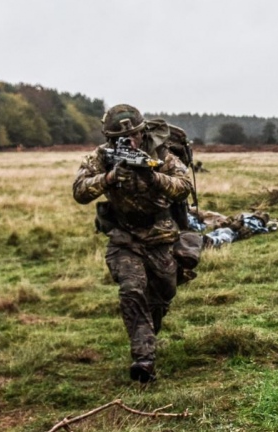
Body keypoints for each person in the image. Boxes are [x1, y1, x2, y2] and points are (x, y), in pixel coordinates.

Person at [73, 104, 194, 383]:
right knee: (132, 289)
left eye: (133, 136)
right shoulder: (102, 157)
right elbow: (79, 191)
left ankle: (148, 332)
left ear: (143, 132)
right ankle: (144, 360)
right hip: (125, 237)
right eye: (117, 139)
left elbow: (184, 186)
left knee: (163, 294)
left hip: (160, 236)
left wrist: (154, 177)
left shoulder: (161, 153)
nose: (127, 142)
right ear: (108, 138)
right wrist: (110, 177)